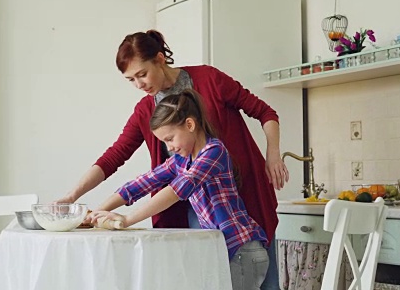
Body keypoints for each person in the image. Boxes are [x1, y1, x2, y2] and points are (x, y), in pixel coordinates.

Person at [56, 30, 288, 289]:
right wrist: (80, 199)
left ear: (159, 59)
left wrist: (273, 153)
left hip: (245, 197)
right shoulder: (151, 119)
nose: (139, 85)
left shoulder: (210, 84)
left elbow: (265, 111)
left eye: (142, 74)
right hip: (196, 208)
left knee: (266, 282)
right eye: (130, 80)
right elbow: (121, 162)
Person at [89, 89, 269, 289]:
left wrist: (128, 219)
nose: (169, 147)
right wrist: (98, 211)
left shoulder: (214, 152)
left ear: (190, 125)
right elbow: (141, 184)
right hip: (224, 250)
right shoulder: (180, 160)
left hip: (243, 250)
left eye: (170, 138)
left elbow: (178, 190)